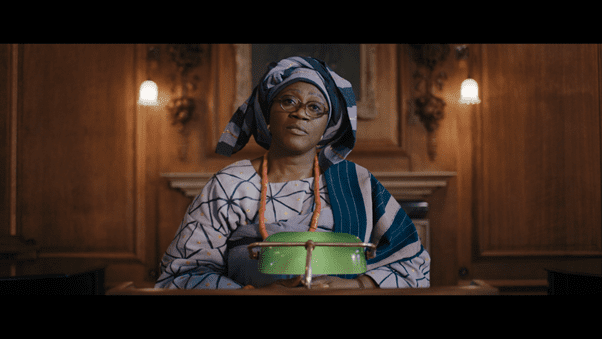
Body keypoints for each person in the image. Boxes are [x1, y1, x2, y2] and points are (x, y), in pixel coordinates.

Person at [155, 56, 430, 290]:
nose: (300, 114)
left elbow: (414, 261)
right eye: (288, 101)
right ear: (268, 115)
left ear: (327, 127)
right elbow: (181, 274)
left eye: (315, 108)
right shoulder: (230, 185)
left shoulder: (357, 182)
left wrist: (356, 285)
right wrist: (257, 294)